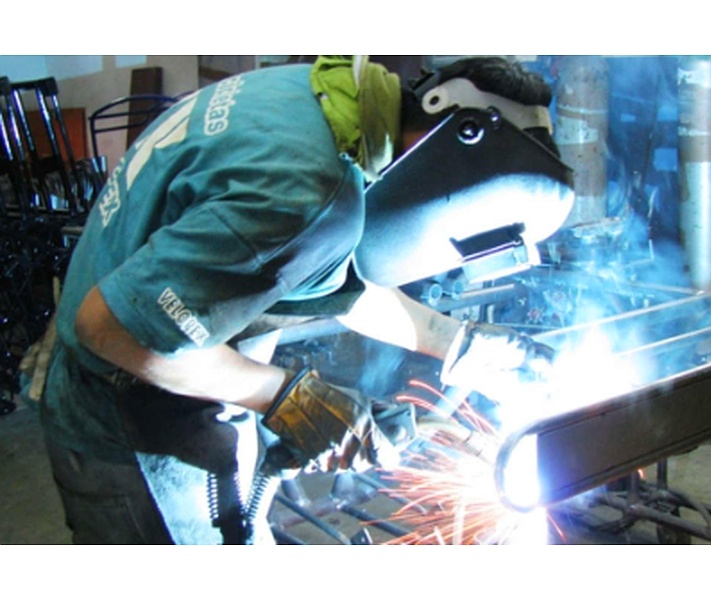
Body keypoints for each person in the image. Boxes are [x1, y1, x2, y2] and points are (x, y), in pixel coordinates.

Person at [31, 55, 572, 544]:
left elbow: (316, 265)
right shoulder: (311, 190)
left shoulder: (322, 100)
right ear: (460, 149)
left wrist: (459, 343)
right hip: (129, 415)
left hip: (183, 370)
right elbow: (111, 329)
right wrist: (286, 398)